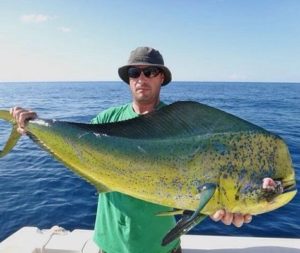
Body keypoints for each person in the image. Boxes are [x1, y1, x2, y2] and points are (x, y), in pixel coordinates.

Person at [10, 46, 252, 253]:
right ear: (128, 79)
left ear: (161, 78)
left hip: (162, 247)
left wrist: (228, 203)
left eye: (150, 72)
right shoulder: (107, 120)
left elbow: (205, 179)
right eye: (134, 72)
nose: (141, 77)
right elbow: (74, 147)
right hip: (110, 245)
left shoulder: (181, 126)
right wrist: (32, 128)